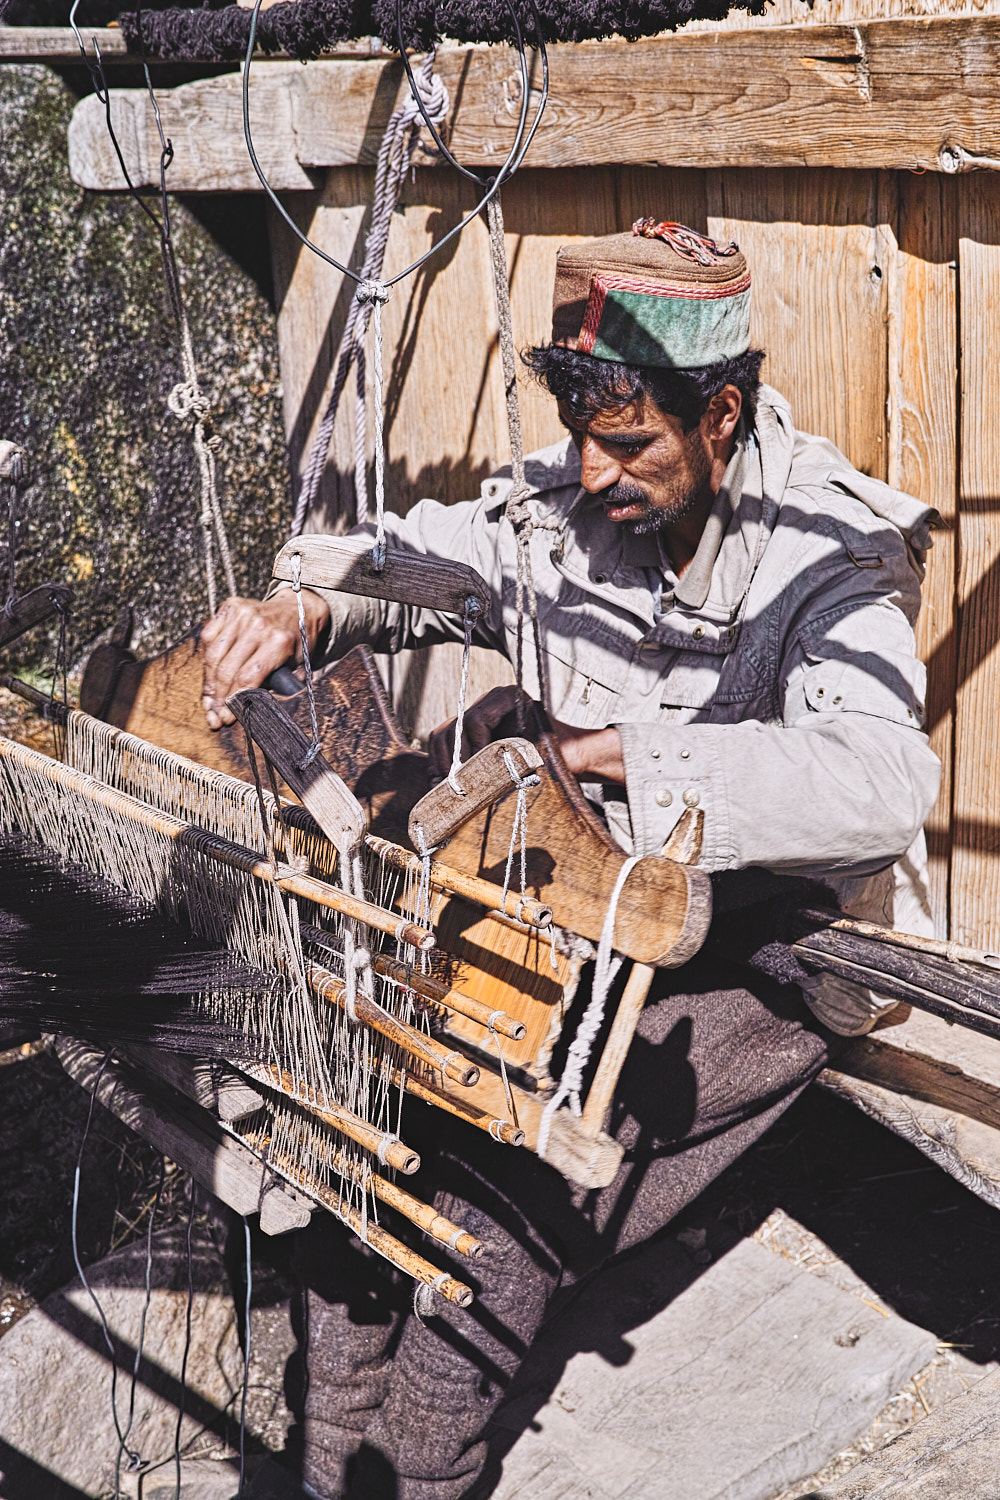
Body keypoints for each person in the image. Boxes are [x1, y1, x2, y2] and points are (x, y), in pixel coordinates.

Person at [202, 220, 941, 1499]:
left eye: (631, 442)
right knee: (382, 1132)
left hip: (757, 943)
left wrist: (621, 751)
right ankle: (326, 1462)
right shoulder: (575, 501)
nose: (594, 472)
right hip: (585, 896)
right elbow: (445, 558)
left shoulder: (831, 555)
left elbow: (882, 781)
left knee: (500, 1212)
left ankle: (419, 1473)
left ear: (721, 414)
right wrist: (308, 605)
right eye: (587, 438)